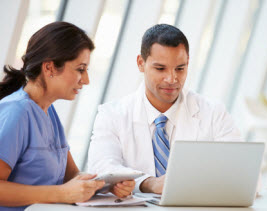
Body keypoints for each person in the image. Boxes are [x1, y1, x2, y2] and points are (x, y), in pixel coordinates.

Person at [88, 24, 242, 194]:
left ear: (188, 62)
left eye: (180, 69)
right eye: (160, 69)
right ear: (141, 63)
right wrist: (148, 183)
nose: (171, 79)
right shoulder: (112, 114)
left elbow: (243, 175)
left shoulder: (214, 113)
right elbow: (102, 167)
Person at [0, 22, 134, 211]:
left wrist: (106, 186)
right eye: (80, 69)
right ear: (49, 68)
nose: (86, 80)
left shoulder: (48, 112)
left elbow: (71, 177)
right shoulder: (16, 113)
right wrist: (61, 194)